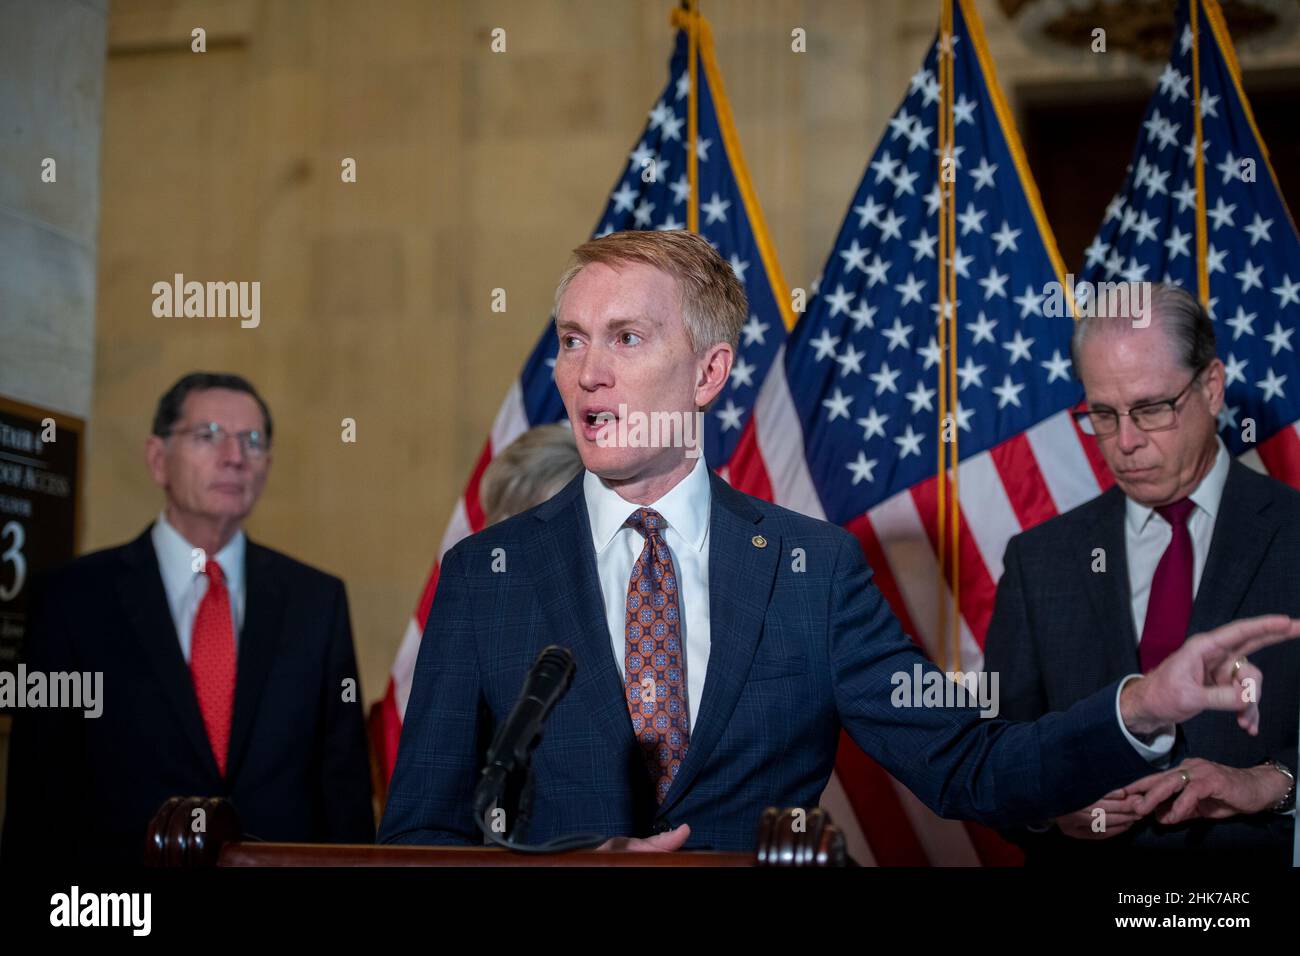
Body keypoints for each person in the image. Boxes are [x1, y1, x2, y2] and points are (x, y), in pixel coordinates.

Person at [379, 231, 1298, 853]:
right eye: (573, 340)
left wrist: (1143, 705)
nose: (587, 372)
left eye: (625, 338)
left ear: (708, 372)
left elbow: (972, 768)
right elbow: (419, 834)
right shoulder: (487, 574)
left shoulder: (811, 571)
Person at [1, 372, 374, 866]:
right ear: (158, 458)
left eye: (252, 440)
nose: (235, 457)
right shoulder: (72, 598)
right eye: (208, 435)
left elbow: (344, 791)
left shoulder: (317, 602)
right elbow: (38, 795)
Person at [984, 284, 1298, 863]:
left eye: (1151, 408)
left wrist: (1273, 783)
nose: (1125, 443)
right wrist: (1047, 808)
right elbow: (997, 757)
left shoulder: (1292, 533)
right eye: (1103, 415)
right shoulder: (1038, 560)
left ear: (1211, 387)